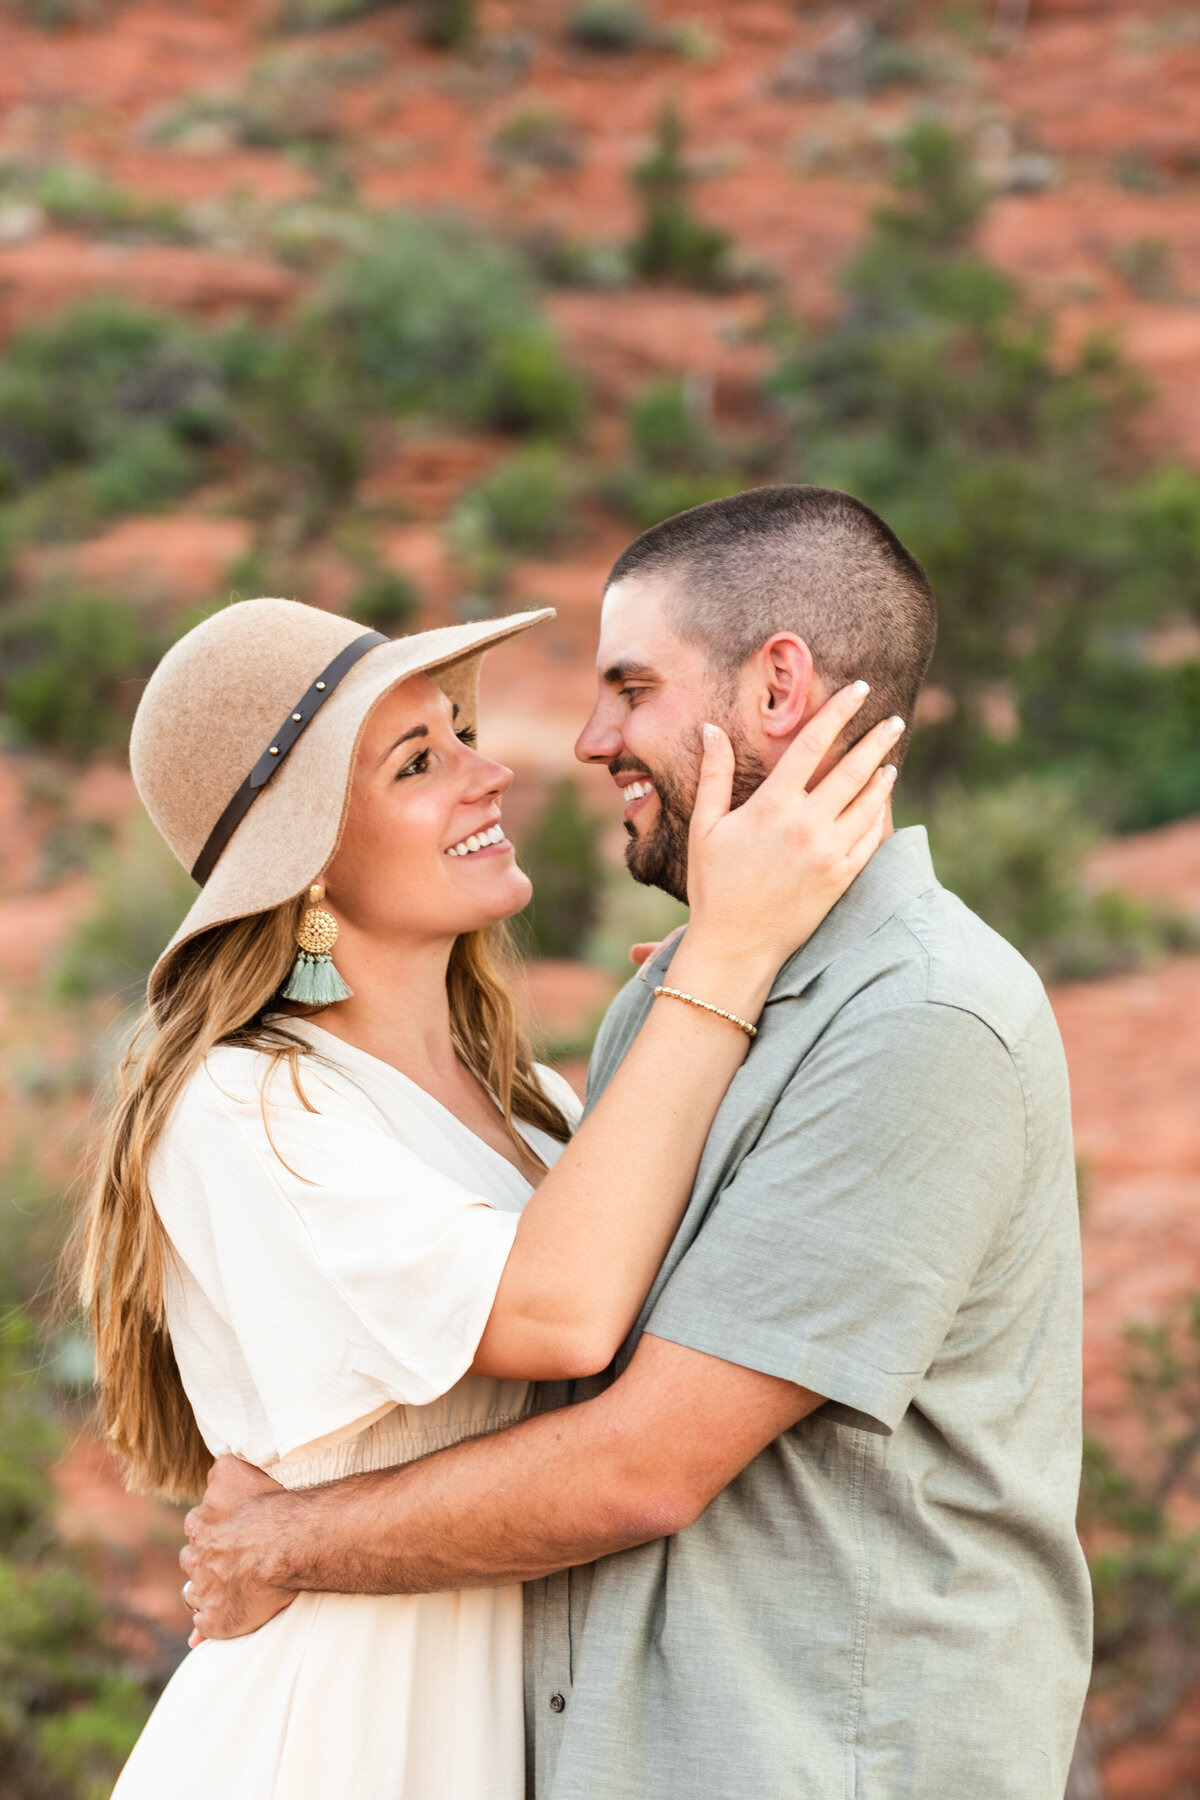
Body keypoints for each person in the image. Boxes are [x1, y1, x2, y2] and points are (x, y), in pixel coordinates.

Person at [182, 486, 1093, 1800]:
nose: (591, 741)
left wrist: (282, 1542)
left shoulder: (921, 1018)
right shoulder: (669, 1011)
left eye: (631, 687)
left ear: (777, 688)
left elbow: (643, 1462)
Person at [87, 590, 896, 1800]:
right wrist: (730, 956)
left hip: (513, 1734)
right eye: (420, 761)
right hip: (336, 1744)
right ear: (304, 859)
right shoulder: (249, 1105)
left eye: (460, 736)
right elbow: (560, 1315)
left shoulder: (541, 1116)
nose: (490, 772)